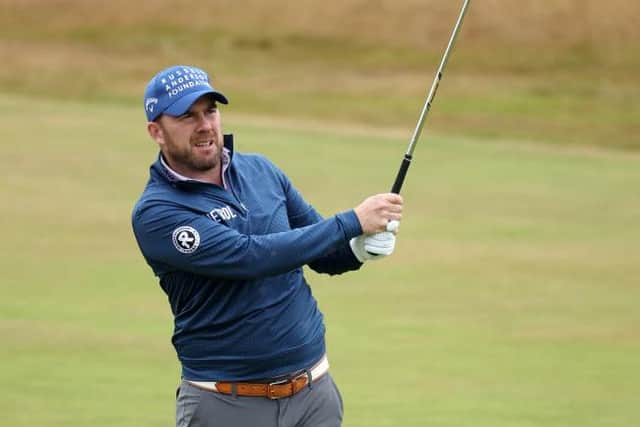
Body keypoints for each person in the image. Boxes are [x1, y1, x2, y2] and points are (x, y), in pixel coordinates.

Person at [131, 64, 403, 427]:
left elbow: (322, 251)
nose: (204, 125)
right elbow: (249, 257)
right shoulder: (158, 211)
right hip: (226, 403)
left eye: (210, 111)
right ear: (156, 131)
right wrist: (351, 221)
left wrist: (359, 247)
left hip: (313, 397)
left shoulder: (261, 171)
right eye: (186, 116)